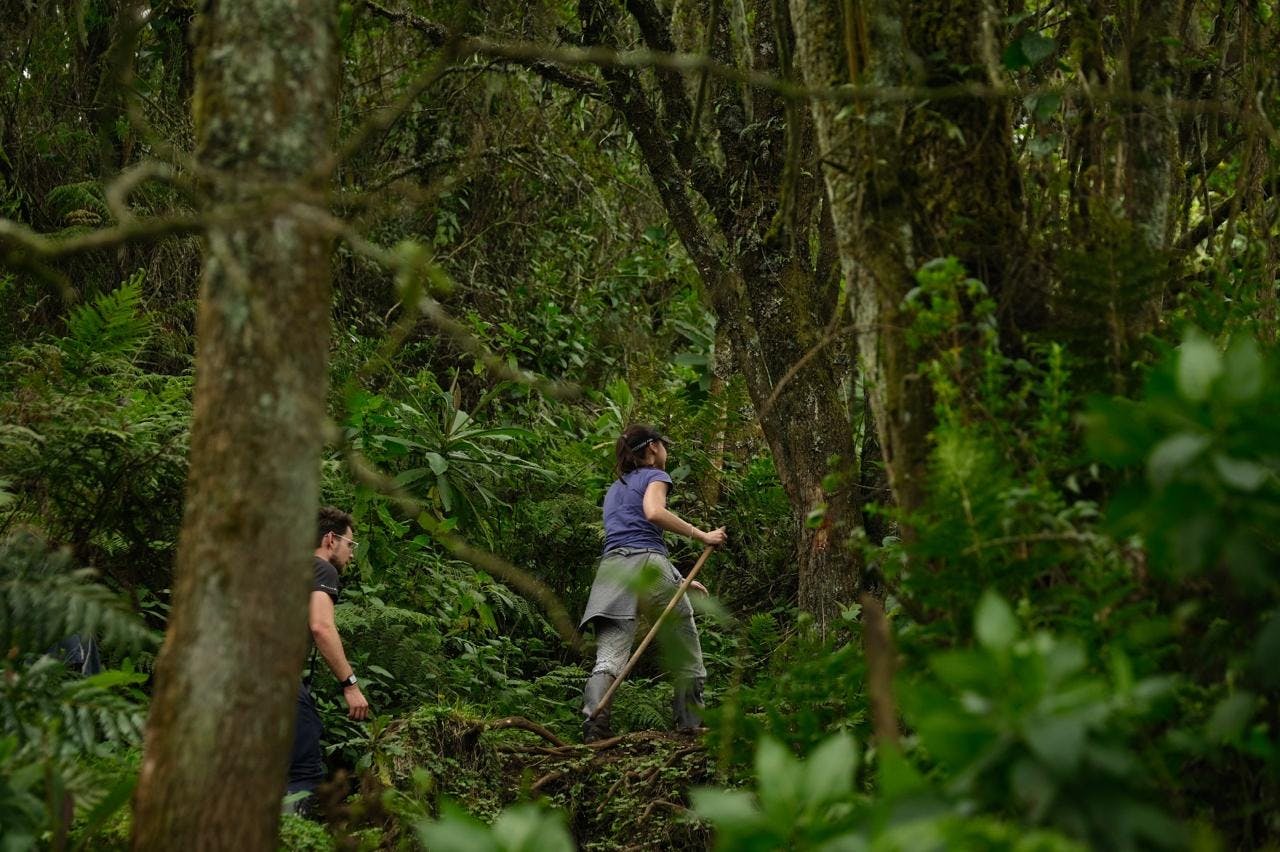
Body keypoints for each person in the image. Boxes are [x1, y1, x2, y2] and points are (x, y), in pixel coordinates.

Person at [579, 425, 728, 742]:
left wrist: (679, 580)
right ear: (652, 449)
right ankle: (689, 724)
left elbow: (629, 540)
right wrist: (701, 535)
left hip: (612, 572)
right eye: (663, 445)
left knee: (608, 658)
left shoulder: (614, 490)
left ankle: (595, 729)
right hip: (646, 562)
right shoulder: (656, 477)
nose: (665, 451)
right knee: (685, 647)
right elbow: (652, 514)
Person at [286, 506, 371, 813]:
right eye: (351, 544)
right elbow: (321, 626)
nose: (351, 553)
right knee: (302, 775)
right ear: (330, 540)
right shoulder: (321, 568)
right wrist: (350, 685)